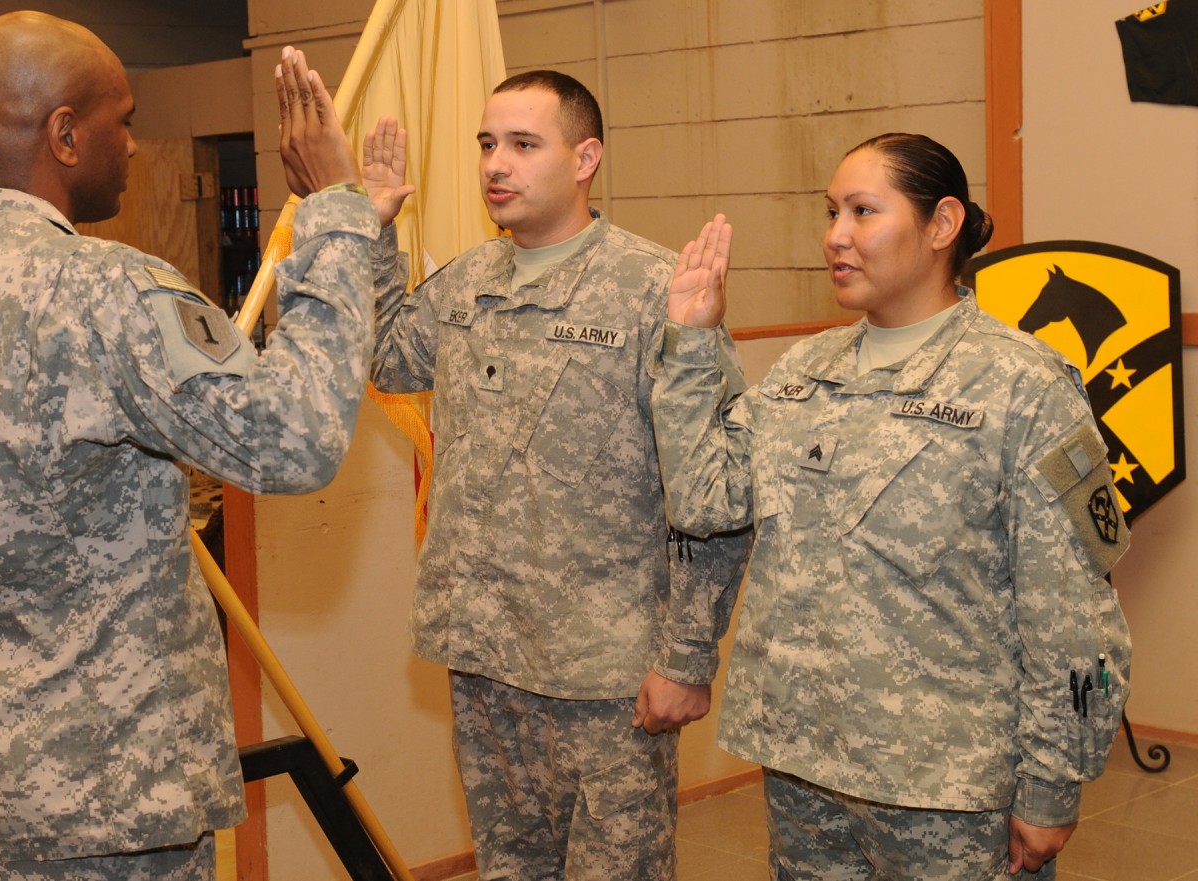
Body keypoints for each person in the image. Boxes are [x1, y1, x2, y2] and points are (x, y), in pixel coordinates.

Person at [653, 133, 1132, 880]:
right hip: (804, 761)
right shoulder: (802, 371)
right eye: (832, 212)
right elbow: (706, 500)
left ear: (941, 225)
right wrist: (690, 340)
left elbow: (1071, 613)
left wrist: (1049, 781)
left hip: (947, 785)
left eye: (864, 211)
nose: (835, 236)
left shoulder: (1021, 385)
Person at [0, 12, 377, 879]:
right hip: (104, 801)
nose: (134, 145)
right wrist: (337, 216)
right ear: (63, 134)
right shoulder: (111, 292)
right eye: (122, 121)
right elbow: (294, 437)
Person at [364, 71, 749, 879]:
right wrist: (372, 233)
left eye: (523, 144)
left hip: (606, 671)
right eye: (486, 144)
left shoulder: (655, 289)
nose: (496, 164)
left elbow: (713, 489)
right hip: (486, 649)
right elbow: (388, 359)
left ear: (586, 158)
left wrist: (685, 654)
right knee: (511, 868)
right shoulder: (469, 282)